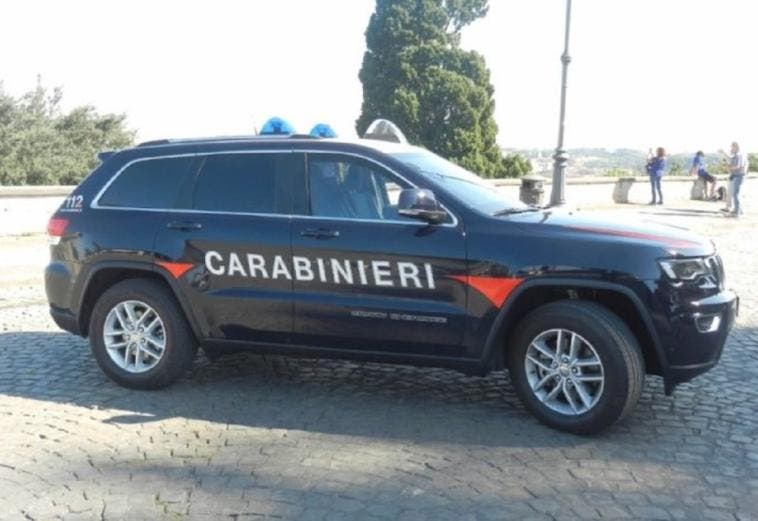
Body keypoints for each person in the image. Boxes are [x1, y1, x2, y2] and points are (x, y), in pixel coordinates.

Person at [719, 142, 747, 217]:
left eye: (732, 147)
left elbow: (738, 166)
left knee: (735, 194)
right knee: (736, 194)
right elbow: (730, 159)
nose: (731, 149)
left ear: (736, 147)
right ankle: (738, 210)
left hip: (738, 176)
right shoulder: (737, 155)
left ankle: (736, 213)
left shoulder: (739, 155)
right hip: (736, 176)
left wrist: (728, 167)